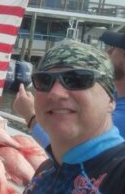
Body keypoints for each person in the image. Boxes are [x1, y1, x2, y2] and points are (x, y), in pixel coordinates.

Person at [23, 40, 125, 193]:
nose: (56, 93)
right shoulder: (44, 172)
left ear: (111, 100)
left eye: (77, 79)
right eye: (44, 81)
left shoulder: (120, 173)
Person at [14, 30, 125, 147]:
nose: (108, 51)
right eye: (44, 80)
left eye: (80, 79)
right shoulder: (112, 94)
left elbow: (73, 148)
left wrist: (30, 115)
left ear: (110, 102)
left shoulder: (120, 118)